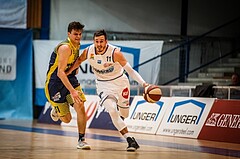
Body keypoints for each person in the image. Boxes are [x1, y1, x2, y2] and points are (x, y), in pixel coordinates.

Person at [67, 29, 149, 151]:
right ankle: (130, 140)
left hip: (120, 83)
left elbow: (130, 71)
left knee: (124, 114)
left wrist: (144, 84)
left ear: (106, 41)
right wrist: (68, 72)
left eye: (101, 41)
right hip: (103, 85)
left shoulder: (115, 53)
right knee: (112, 110)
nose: (99, 44)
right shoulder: (89, 51)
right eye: (96, 41)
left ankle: (120, 117)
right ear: (93, 41)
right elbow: (78, 61)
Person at [44, 21, 91, 150]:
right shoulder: (65, 47)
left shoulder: (77, 45)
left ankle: (81, 140)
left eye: (80, 34)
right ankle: (56, 110)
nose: (78, 37)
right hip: (55, 83)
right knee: (67, 119)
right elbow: (60, 73)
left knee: (80, 105)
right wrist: (72, 91)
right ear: (68, 34)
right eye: (75, 34)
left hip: (69, 78)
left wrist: (74, 69)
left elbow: (72, 65)